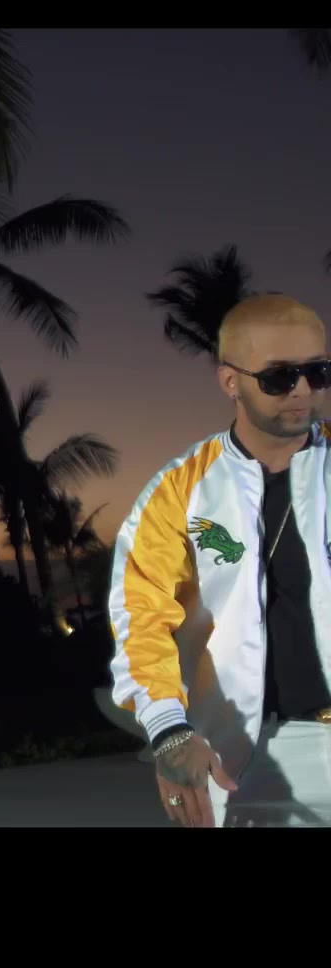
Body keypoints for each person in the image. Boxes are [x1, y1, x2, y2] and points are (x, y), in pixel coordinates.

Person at [109, 293, 331, 828]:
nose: (303, 390)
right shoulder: (177, 490)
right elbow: (141, 617)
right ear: (231, 381)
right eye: (280, 377)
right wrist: (169, 732)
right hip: (243, 761)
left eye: (318, 372)